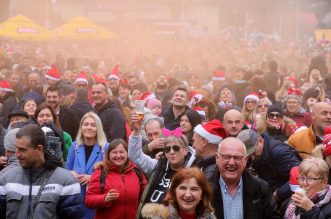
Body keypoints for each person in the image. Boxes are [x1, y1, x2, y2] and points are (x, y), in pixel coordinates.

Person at [0, 124, 83, 218]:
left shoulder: (66, 181)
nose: (17, 154)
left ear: (39, 149)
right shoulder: (6, 179)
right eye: (16, 148)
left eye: (22, 150)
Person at [129, 113, 196, 219]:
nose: (172, 152)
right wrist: (136, 132)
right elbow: (135, 156)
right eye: (167, 149)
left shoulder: (193, 174)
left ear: (185, 150)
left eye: (176, 148)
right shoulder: (159, 164)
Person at [211, 137, 279, 219]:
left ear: (245, 160)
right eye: (227, 157)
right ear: (217, 158)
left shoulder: (260, 188)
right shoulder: (204, 188)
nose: (232, 162)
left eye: (237, 158)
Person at [85, 139, 147, 219]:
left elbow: (145, 196)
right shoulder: (101, 173)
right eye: (114, 152)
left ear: (127, 153)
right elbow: (88, 200)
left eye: (122, 152)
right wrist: (104, 198)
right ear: (108, 155)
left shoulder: (136, 172)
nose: (118, 155)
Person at [237, 129, 302, 203]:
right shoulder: (260, 153)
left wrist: (279, 194)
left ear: (260, 140)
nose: (252, 157)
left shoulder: (279, 152)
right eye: (248, 154)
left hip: (289, 197)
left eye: (253, 151)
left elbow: (301, 174)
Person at [66, 112, 108, 219]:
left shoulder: (106, 147)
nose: (89, 128)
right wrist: (71, 173)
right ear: (81, 127)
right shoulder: (74, 146)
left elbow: (112, 174)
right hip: (76, 198)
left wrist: (93, 178)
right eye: (86, 124)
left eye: (93, 125)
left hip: (96, 199)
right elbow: (67, 169)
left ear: (98, 128)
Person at [141, 167, 216, 219]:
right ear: (174, 192)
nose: (188, 194)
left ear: (202, 195)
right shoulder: (159, 217)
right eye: (183, 188)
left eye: (194, 189)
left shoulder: (209, 217)